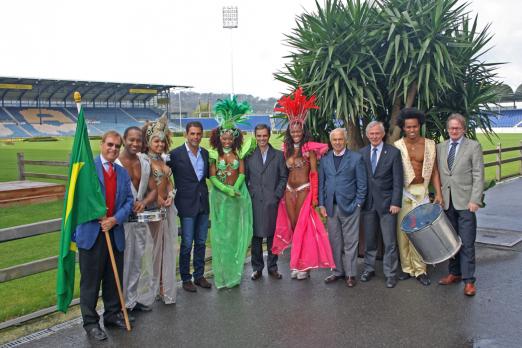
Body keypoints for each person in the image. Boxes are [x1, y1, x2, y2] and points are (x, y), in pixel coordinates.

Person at [74, 131, 133, 340]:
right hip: (91, 234)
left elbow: (128, 202)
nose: (113, 149)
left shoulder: (122, 172)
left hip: (114, 232)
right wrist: (95, 212)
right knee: (90, 282)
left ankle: (112, 314)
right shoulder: (86, 170)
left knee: (112, 278)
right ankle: (90, 323)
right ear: (101, 144)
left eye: (117, 146)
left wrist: (115, 219)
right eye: (110, 144)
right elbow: (76, 200)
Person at [272, 87, 335, 280]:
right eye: (293, 130)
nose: (296, 132)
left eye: (299, 130)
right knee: (292, 227)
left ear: (303, 130)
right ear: (289, 131)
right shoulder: (286, 148)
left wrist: (315, 196)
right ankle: (297, 262)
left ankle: (304, 266)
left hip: (304, 191)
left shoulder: (310, 149)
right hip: (289, 191)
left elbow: (314, 173)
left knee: (303, 227)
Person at [208, 97, 254, 289]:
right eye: (224, 138)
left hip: (236, 199)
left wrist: (236, 188)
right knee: (221, 236)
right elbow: (212, 177)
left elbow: (242, 172)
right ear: (218, 138)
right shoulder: (213, 155)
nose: (226, 141)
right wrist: (226, 189)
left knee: (234, 234)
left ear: (235, 138)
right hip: (220, 199)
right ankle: (223, 273)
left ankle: (235, 272)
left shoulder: (238, 154)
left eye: (230, 138)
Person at [394, 108, 443, 286]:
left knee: (421, 231)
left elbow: (435, 171)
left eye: (415, 126)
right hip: (404, 193)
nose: (412, 130)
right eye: (408, 127)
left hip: (422, 191)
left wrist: (438, 193)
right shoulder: (398, 146)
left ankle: (420, 269)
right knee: (403, 232)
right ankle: (407, 268)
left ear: (419, 126)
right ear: (403, 128)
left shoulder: (430, 144)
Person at [436, 113, 484, 296]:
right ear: (447, 130)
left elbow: (479, 175)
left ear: (463, 129)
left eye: (457, 128)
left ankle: (469, 281)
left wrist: (475, 200)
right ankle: (454, 273)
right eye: (451, 128)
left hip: (466, 203)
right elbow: (438, 174)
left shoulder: (473, 147)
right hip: (447, 202)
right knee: (451, 241)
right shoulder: (441, 147)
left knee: (467, 242)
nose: (454, 131)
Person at [319, 128, 367, 288]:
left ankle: (351, 274)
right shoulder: (325, 160)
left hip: (350, 207)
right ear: (330, 141)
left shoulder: (356, 158)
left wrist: (358, 204)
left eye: (340, 139)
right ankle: (338, 271)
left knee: (350, 242)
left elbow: (362, 185)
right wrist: (321, 204)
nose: (337, 142)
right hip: (331, 207)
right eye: (334, 140)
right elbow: (321, 184)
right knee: (334, 241)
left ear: (345, 140)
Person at [167, 121, 212, 292]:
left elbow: (209, 176)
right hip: (186, 205)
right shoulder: (175, 154)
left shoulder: (205, 154)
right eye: (192, 133)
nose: (196, 137)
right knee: (186, 243)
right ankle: (186, 278)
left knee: (200, 242)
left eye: (198, 134)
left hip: (202, 203)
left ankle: (199, 276)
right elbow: (162, 173)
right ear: (186, 134)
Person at [359, 121, 403, 288]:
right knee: (370, 241)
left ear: (383, 134)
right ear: (367, 135)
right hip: (368, 204)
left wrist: (395, 202)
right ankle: (369, 269)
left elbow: (398, 181)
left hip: (387, 205)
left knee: (389, 242)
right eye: (371, 134)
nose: (374, 136)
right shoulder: (362, 153)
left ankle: (391, 274)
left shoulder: (393, 153)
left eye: (377, 133)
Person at [118, 126, 157, 312]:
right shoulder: (115, 163)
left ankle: (131, 301)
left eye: (138, 140)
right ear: (124, 140)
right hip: (121, 223)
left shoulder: (144, 162)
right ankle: (119, 305)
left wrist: (144, 202)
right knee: (123, 264)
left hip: (140, 221)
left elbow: (154, 190)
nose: (135, 144)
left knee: (136, 262)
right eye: (131, 140)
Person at [245, 123, 288, 281]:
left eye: (264, 135)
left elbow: (284, 177)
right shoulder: (249, 156)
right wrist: (251, 194)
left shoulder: (278, 155)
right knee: (256, 237)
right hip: (255, 201)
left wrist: (276, 196)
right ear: (255, 136)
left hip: (272, 201)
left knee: (272, 236)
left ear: (269, 135)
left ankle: (272, 267)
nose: (262, 138)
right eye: (259, 136)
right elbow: (245, 178)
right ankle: (257, 268)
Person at [142, 115, 178, 304]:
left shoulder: (163, 162)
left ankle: (162, 285)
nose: (160, 144)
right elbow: (147, 187)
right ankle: (158, 285)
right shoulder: (144, 161)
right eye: (156, 141)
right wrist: (159, 199)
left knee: (165, 249)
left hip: (165, 210)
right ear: (148, 142)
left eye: (162, 141)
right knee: (156, 250)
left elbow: (169, 184)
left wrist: (170, 196)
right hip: (153, 211)